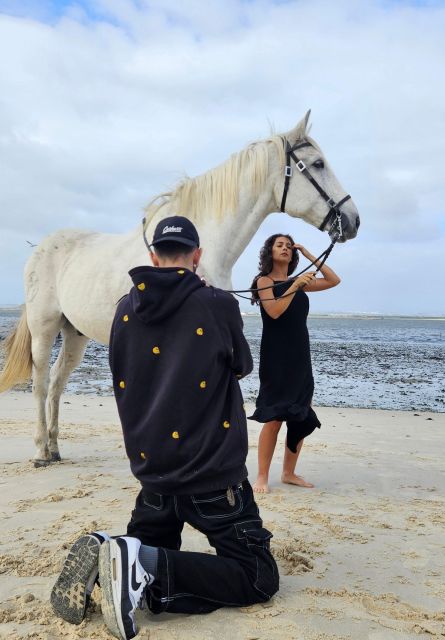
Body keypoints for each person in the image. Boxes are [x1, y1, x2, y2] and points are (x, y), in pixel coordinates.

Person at [50, 216, 279, 640]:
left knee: (148, 562)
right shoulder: (216, 304)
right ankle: (136, 562)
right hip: (211, 474)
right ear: (197, 256)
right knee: (258, 577)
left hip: (153, 475)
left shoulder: (123, 310)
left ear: (153, 256)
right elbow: (243, 366)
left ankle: (118, 553)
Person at [249, 234, 341, 494]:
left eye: (289, 246)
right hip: (276, 356)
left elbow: (334, 280)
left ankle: (289, 472)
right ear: (269, 251)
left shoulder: (297, 281)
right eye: (279, 245)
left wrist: (311, 255)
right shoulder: (263, 281)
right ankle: (262, 477)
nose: (285, 249)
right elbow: (274, 311)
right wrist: (295, 285)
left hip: (300, 355)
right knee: (274, 416)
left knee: (300, 415)